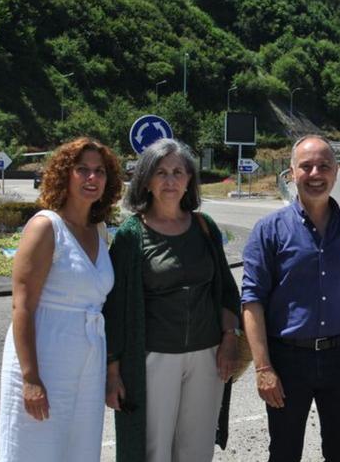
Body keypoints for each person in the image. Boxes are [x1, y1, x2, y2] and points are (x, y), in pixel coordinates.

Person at [242, 134, 340, 462]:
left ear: (336, 172)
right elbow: (252, 300)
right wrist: (263, 367)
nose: (315, 173)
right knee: (284, 453)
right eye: (306, 166)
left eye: (324, 165)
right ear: (291, 173)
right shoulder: (269, 230)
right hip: (287, 359)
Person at [103, 139, 241, 462]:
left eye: (178, 172)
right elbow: (115, 310)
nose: (170, 180)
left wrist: (230, 339)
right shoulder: (130, 236)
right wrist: (112, 373)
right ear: (146, 181)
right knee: (154, 450)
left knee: (196, 449)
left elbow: (225, 291)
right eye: (161, 172)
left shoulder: (205, 228)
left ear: (189, 180)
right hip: (152, 360)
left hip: (207, 357)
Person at [0, 138, 123, 461]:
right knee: (34, 450)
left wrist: (110, 372)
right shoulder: (45, 227)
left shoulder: (99, 229)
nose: (92, 178)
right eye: (82, 170)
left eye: (99, 171)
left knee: (79, 451)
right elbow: (22, 305)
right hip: (45, 361)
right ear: (65, 174)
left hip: (87, 365)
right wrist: (30, 379)